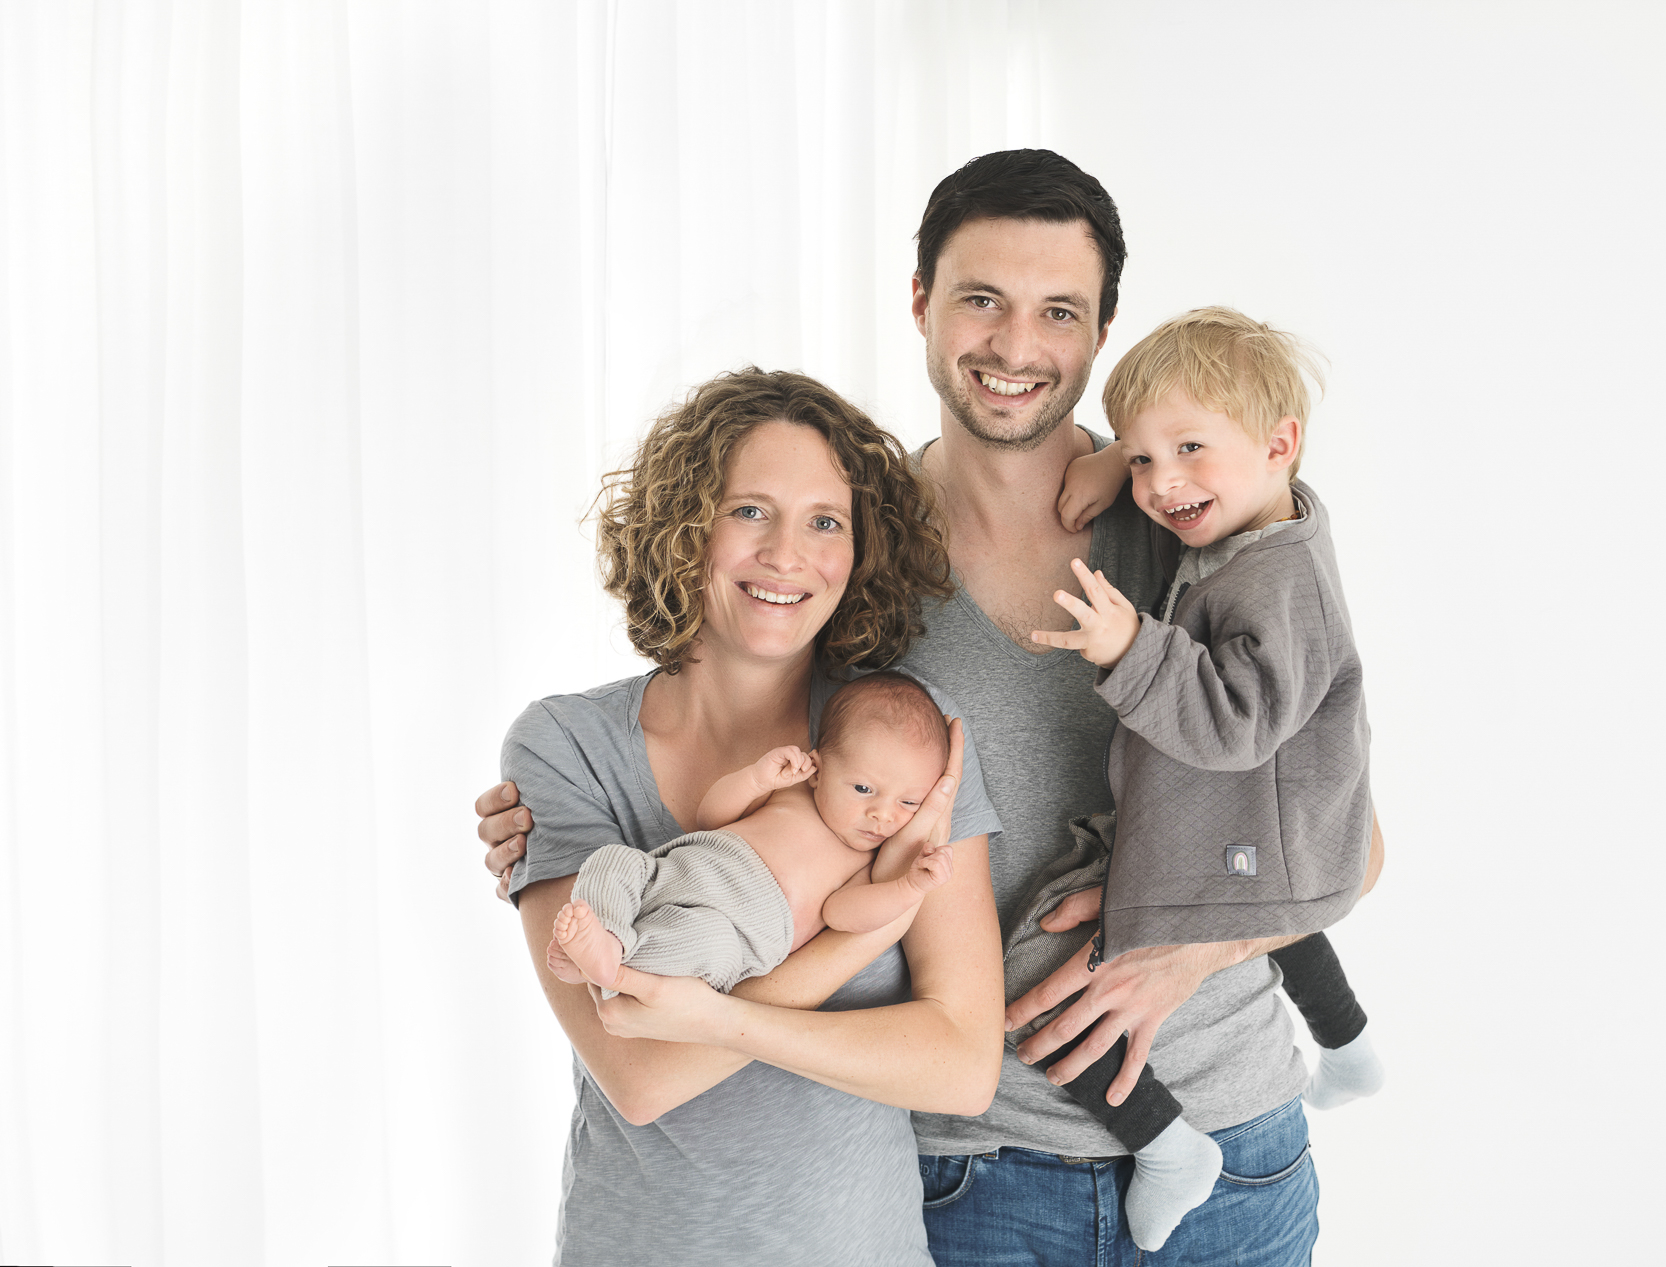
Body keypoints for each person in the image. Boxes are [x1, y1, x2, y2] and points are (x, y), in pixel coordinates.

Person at [481, 149, 1385, 1264]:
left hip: (1230, 1138)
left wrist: (1186, 951)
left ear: (1102, 331)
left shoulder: (1188, 523)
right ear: (919, 302)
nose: (1015, 346)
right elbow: (731, 698)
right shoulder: (853, 558)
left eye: (1059, 311)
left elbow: (1350, 841)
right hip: (971, 1170)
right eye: (980, 300)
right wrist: (555, 822)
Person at [486, 368, 1006, 1265]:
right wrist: (865, 933)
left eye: (825, 521)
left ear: (859, 550)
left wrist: (722, 1019)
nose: (786, 554)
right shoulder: (566, 746)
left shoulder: (904, 745)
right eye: (750, 510)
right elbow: (641, 1073)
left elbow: (962, 1065)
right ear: (686, 525)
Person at [1016, 305, 1385, 1249]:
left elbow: (1234, 723)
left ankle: (1163, 1140)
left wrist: (1131, 647)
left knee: (1029, 960)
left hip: (1269, 822)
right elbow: (1198, 458)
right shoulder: (1265, 516)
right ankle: (1347, 1042)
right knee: (1276, 905)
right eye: (1145, 458)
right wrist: (1116, 462)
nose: (1162, 483)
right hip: (1278, 834)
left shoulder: (1277, 580)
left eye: (1187, 450)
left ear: (1280, 445)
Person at [547, 672, 958, 997]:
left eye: (909, 803)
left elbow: (843, 914)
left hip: (739, 930)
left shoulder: (864, 861)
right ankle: (606, 931)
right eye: (864, 788)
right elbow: (710, 818)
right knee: (613, 860)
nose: (882, 815)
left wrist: (907, 888)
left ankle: (611, 961)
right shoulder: (793, 789)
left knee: (705, 946)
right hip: (682, 869)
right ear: (819, 769)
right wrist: (756, 780)